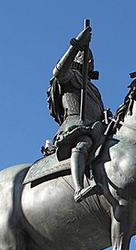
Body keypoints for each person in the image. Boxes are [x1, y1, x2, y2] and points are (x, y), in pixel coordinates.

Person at [47, 25, 105, 203]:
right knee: (84, 142)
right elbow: (58, 72)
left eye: (91, 61)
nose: (90, 62)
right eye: (86, 59)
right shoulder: (70, 76)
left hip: (95, 128)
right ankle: (79, 188)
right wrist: (77, 46)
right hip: (75, 126)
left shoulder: (94, 89)